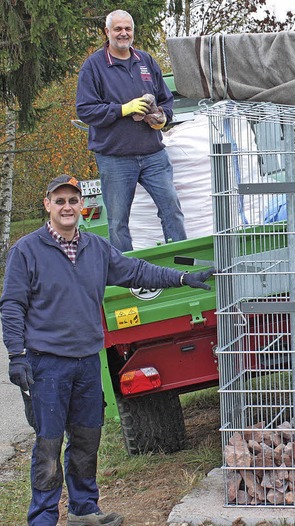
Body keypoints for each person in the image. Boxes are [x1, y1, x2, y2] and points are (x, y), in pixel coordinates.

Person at [1, 175, 215, 526]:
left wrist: (180, 278)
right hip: (46, 365)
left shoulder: (95, 249)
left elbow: (136, 271)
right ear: (47, 205)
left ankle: (83, 510)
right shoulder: (26, 251)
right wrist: (16, 355)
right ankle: (41, 517)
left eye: (72, 201)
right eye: (60, 201)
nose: (67, 207)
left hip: (86, 362)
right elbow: (11, 306)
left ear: (79, 207)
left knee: (87, 439)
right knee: (48, 444)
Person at [76, 9, 187, 253]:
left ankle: (181, 263)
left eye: (128, 29)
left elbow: (166, 100)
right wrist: (122, 109)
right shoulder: (93, 67)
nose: (123, 33)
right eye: (118, 29)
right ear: (107, 32)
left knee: (172, 210)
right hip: (115, 158)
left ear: (133, 32)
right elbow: (85, 110)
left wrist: (162, 119)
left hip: (153, 155)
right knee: (117, 223)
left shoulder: (146, 61)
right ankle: (125, 273)